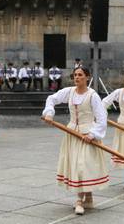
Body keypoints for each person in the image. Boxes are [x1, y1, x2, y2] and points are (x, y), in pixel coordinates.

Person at [43, 66, 108, 215]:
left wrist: (92, 134)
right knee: (77, 165)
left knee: (84, 166)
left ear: (87, 77)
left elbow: (102, 118)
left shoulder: (93, 95)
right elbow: (52, 98)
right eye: (75, 75)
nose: (77, 77)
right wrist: (49, 112)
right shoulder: (69, 91)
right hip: (72, 133)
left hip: (87, 134)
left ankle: (84, 199)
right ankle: (84, 199)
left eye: (80, 75)